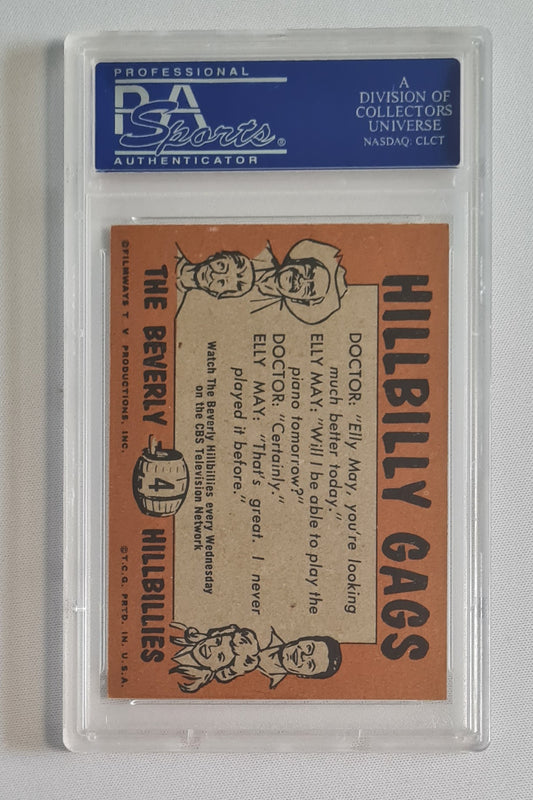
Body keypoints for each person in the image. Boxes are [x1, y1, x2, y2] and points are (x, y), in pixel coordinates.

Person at [252, 239, 348, 325]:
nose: (301, 280)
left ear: (300, 301)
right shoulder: (260, 249)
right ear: (298, 261)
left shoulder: (270, 319)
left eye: (308, 289)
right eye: (308, 272)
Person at [169, 623, 260, 693]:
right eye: (217, 641)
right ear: (214, 635)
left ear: (218, 669)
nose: (211, 648)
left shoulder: (186, 680)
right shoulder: (178, 631)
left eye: (220, 656)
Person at [175, 245, 255, 312]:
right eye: (221, 266)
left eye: (221, 283)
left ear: (216, 294)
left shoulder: (174, 307)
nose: (213, 275)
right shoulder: (174, 248)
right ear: (215, 256)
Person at [257, 627, 342, 688]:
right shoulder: (264, 630)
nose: (303, 657)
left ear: (303, 676)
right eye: (309, 648)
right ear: (303, 639)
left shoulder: (267, 688)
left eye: (310, 664)